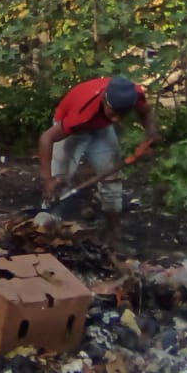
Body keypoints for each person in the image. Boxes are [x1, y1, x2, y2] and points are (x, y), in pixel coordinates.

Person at [37, 75, 160, 248]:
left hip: (101, 127)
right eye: (113, 113)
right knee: (59, 182)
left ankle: (112, 235)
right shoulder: (82, 114)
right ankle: (45, 231)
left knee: (112, 180)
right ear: (104, 101)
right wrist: (47, 179)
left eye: (122, 115)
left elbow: (145, 112)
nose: (116, 119)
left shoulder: (134, 94)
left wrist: (151, 133)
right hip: (72, 129)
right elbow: (46, 138)